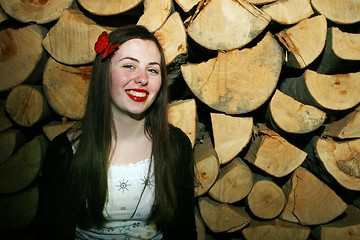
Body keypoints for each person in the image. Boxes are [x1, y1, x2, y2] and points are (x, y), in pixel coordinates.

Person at [32, 25, 197, 240]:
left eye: (153, 69)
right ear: (104, 73)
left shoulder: (176, 145)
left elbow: (184, 232)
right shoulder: (66, 152)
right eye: (129, 65)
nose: (142, 79)